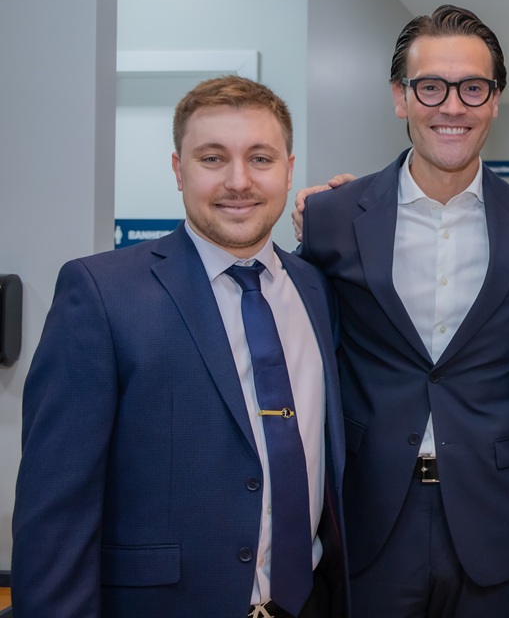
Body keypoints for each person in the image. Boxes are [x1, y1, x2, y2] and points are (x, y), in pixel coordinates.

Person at [12, 76, 348, 618]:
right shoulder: (101, 293)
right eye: (212, 158)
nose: (238, 181)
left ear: (289, 169)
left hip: (311, 603)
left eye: (260, 159)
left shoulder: (318, 288)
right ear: (178, 170)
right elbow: (55, 511)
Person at [297, 5, 509, 617]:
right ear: (400, 97)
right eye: (431, 87)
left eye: (473, 88)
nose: (453, 106)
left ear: (495, 100)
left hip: (495, 518)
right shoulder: (334, 217)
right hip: (370, 516)